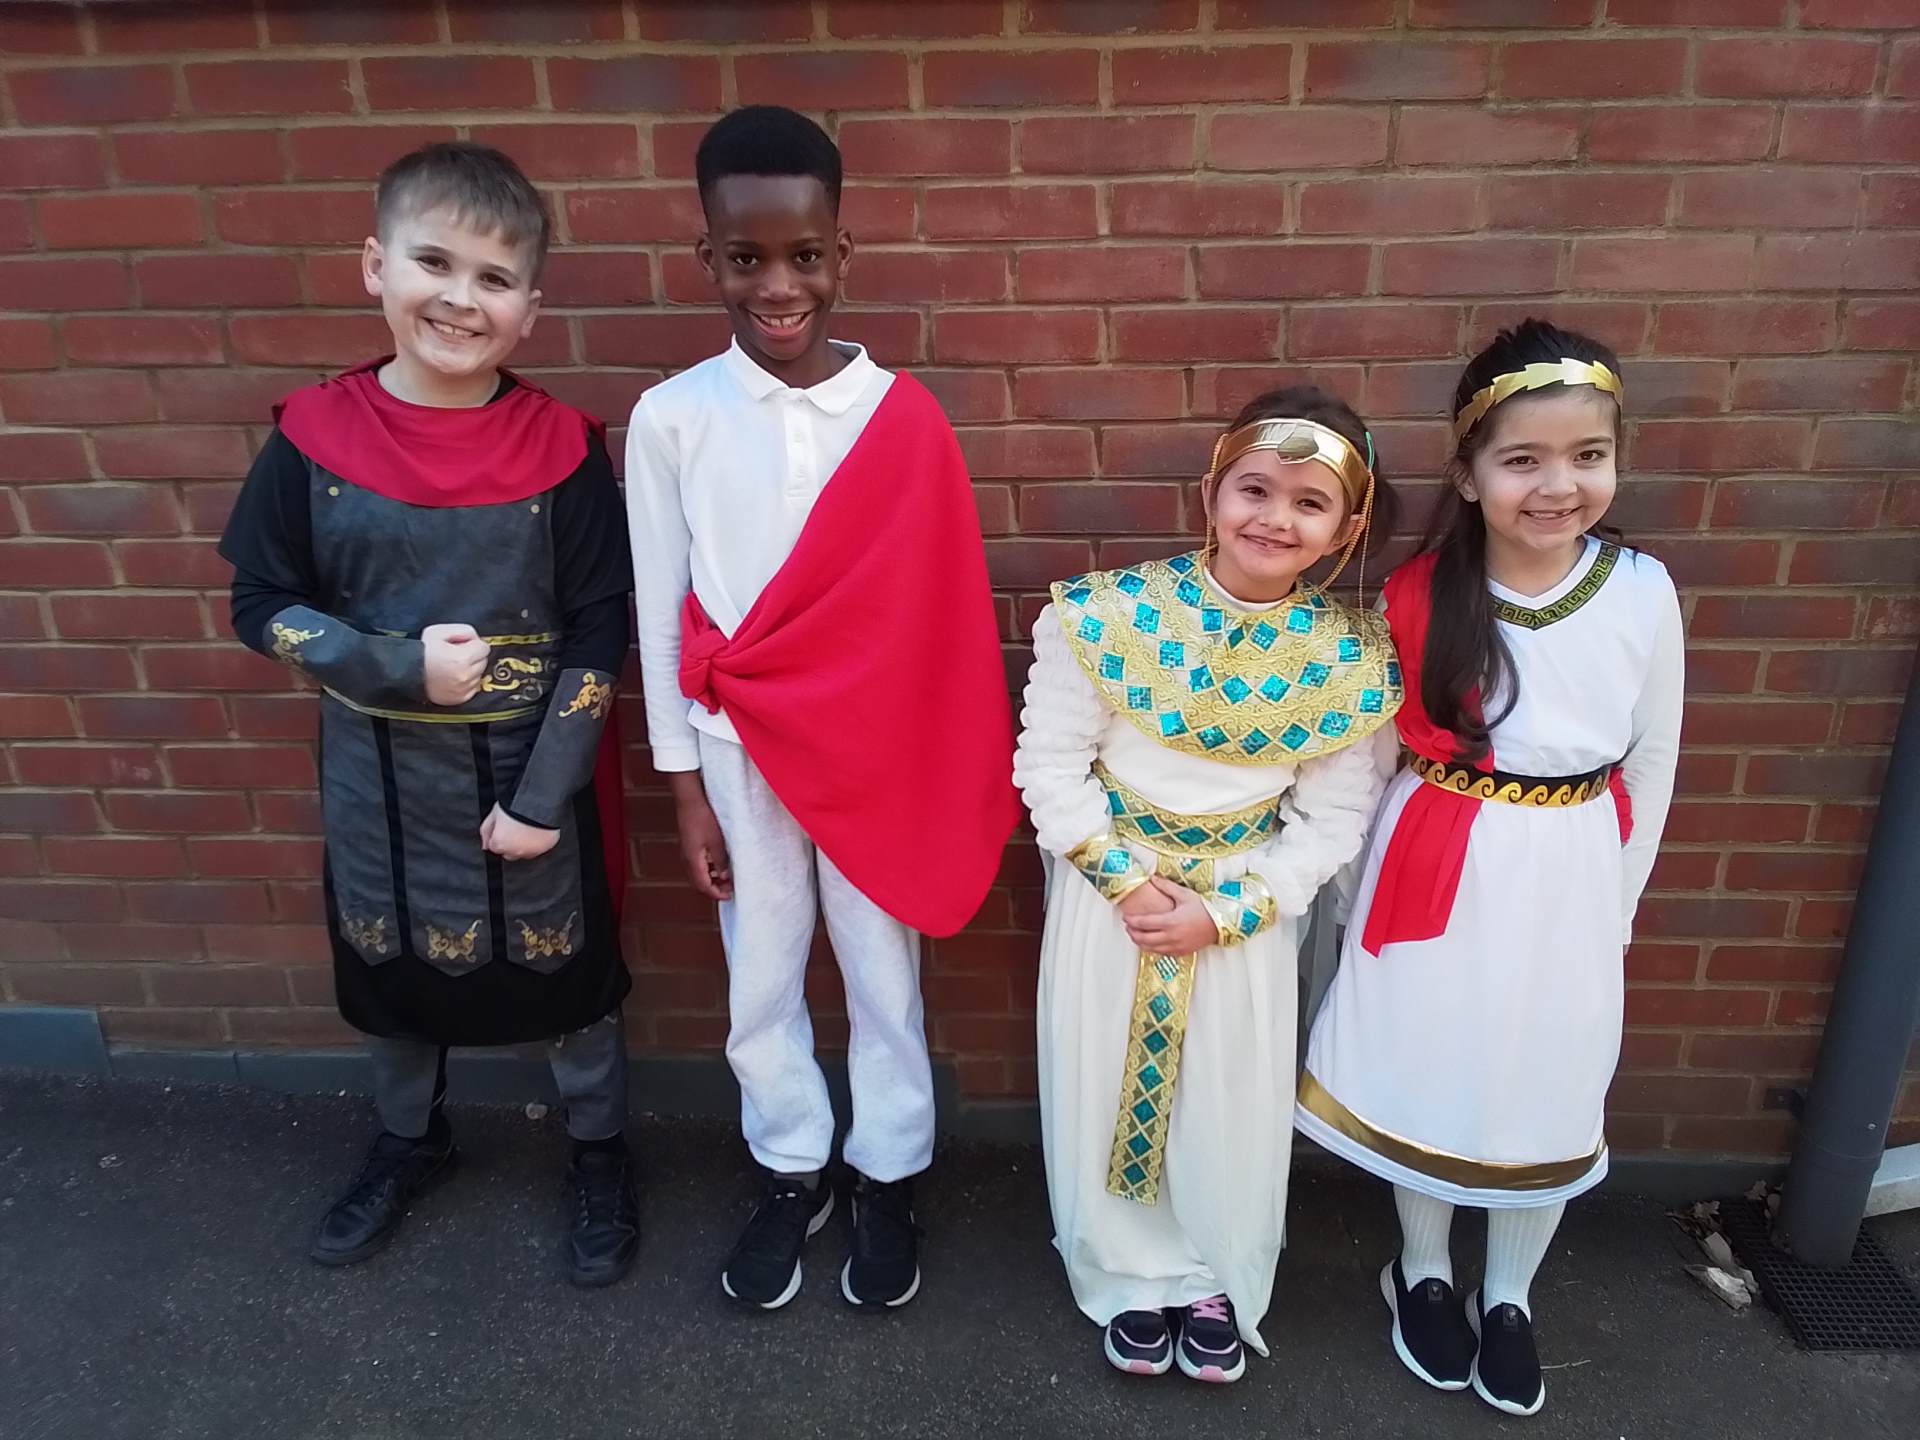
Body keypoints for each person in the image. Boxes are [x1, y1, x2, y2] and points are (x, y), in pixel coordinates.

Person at [219, 142, 640, 1287]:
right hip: (378, 781)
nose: (460, 298)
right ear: (376, 265)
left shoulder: (562, 449)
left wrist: (544, 799)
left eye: (494, 278)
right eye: (434, 263)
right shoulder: (311, 438)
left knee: (568, 979)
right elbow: (260, 604)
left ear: (529, 309)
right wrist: (392, 667)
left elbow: (598, 632)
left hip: (531, 777)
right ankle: (410, 1140)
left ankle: (601, 1151)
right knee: (391, 973)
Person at [625, 105, 1017, 1312]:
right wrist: (683, 787)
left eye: (805, 256)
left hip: (874, 753)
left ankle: (888, 1168)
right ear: (707, 258)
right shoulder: (672, 418)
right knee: (761, 965)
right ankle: (790, 1162)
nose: (778, 286)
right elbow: (661, 611)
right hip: (738, 752)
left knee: (880, 963)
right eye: (746, 258)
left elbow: (941, 618)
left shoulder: (903, 417)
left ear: (844, 251)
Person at [1296, 320, 1685, 1417]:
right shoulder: (1419, 594)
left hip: (1572, 875)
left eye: (1588, 455)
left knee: (1544, 1082)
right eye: (1523, 460)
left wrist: (1617, 904)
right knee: (1433, 1063)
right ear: (1468, 475)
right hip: (1437, 859)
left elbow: (1653, 757)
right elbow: (1372, 758)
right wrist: (1350, 891)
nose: (1558, 486)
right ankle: (1421, 1269)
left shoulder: (1642, 591)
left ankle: (1509, 1293)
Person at [1013, 387, 1403, 1381]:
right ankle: (1126, 1270)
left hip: (1240, 916)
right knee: (1103, 1076)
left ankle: (1208, 1271)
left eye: (1310, 503)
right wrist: (1129, 887)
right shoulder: (1108, 616)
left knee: (1226, 1093)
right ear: (1211, 494)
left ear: (1346, 529)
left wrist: (1228, 912)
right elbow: (1051, 766)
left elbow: (1334, 820)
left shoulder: (1348, 661)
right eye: (1254, 490)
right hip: (1115, 902)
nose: (1275, 518)